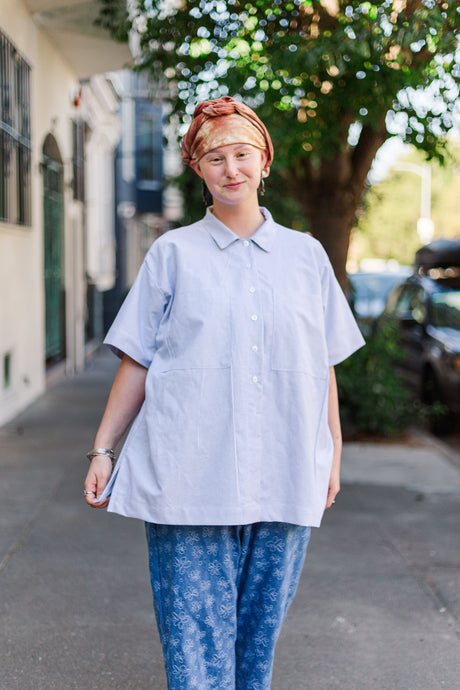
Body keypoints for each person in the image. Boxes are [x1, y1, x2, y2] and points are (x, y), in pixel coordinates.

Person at [84, 96, 365, 689]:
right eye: (215, 157)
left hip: (286, 474)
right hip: (189, 478)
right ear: (198, 168)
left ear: (264, 160)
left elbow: (324, 367)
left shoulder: (306, 257)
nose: (230, 168)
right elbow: (138, 359)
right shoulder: (172, 254)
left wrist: (333, 456)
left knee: (255, 654)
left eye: (241, 154)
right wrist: (104, 449)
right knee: (195, 659)